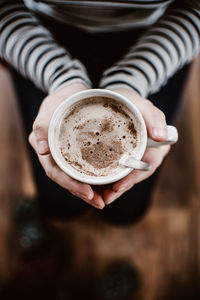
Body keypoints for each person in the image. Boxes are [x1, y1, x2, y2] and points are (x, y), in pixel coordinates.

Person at [0, 0, 199, 222]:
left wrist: (132, 80)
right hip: (37, 38)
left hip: (161, 40)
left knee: (127, 211)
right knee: (58, 204)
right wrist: (60, 76)